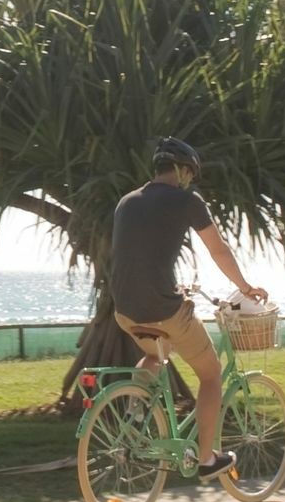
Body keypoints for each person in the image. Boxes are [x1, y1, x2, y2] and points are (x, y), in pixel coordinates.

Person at [110, 136, 270, 480]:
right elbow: (219, 250)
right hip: (164, 309)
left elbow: (138, 257)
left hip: (124, 310)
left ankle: (136, 408)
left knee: (155, 354)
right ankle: (207, 458)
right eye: (190, 174)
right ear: (183, 170)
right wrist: (245, 287)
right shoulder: (187, 200)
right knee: (211, 375)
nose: (191, 180)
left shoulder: (126, 201)